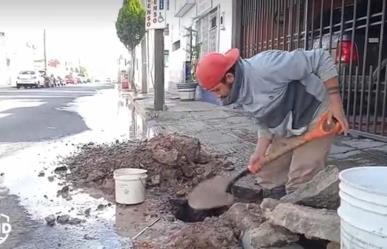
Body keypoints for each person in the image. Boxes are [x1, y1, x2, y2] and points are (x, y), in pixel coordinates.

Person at [195, 48, 349, 198]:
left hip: (316, 114)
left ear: (229, 77)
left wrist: (336, 104)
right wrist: (259, 152)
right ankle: (274, 207)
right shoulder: (238, 93)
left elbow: (321, 58)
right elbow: (262, 120)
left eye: (216, 90)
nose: (217, 97)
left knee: (302, 179)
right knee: (268, 175)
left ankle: (296, 213)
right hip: (287, 124)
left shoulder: (266, 67)